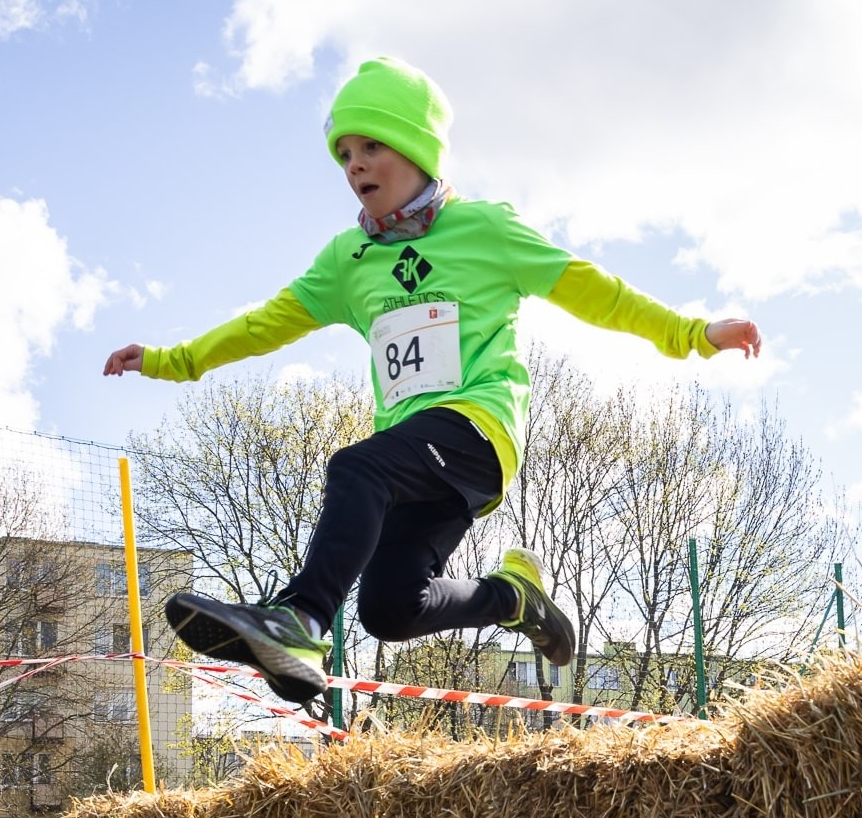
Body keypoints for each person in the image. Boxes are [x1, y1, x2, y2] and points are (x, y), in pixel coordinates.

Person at [104, 57, 761, 708]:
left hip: (476, 429)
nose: (354, 164)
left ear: (418, 149)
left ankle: (299, 620)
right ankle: (512, 599)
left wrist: (691, 332)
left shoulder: (483, 229)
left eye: (371, 146)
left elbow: (593, 289)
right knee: (389, 608)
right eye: (343, 155)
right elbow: (263, 324)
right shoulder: (347, 261)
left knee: (356, 469)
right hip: (415, 464)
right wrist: (172, 359)